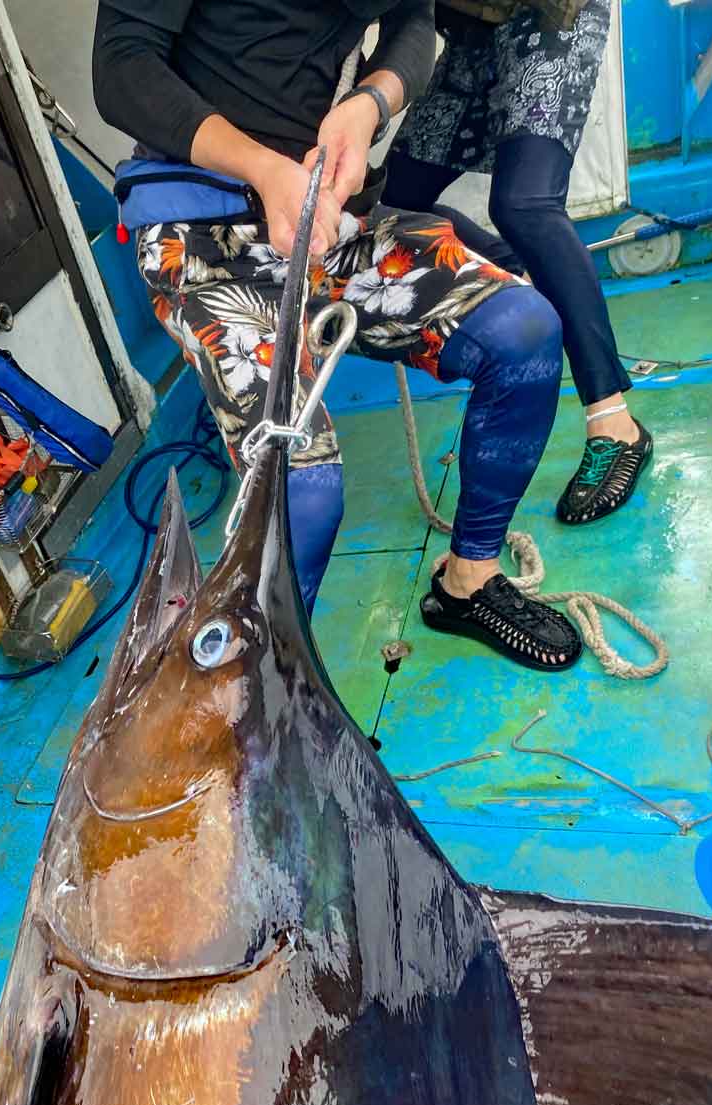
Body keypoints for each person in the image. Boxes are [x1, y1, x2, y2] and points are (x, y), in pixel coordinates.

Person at [94, 0, 583, 672]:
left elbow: (415, 20)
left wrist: (368, 102)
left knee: (524, 332)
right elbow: (119, 68)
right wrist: (266, 172)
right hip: (207, 237)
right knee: (305, 490)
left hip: (333, 220)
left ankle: (467, 582)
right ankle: (258, 701)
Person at [382, 0, 652, 528]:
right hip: (473, 34)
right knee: (392, 204)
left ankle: (614, 422)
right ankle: (521, 273)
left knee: (525, 203)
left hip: (550, 18)